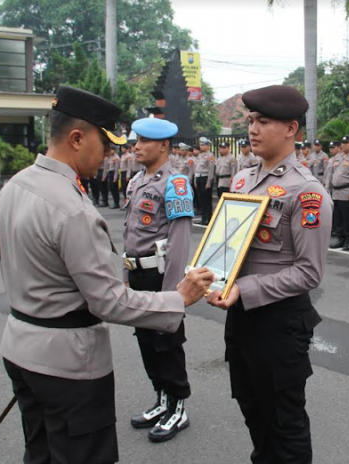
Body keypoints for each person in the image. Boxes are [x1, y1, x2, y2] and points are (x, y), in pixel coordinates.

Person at [0, 86, 213, 464]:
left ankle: (173, 403)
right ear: (77, 138)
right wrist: (178, 298)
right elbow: (107, 301)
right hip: (66, 361)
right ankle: (164, 399)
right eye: (106, 143)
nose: (113, 154)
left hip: (20, 346)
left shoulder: (14, 187)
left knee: (42, 452)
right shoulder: (71, 207)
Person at [207, 84, 332, 464]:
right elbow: (228, 244)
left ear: (292, 129)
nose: (253, 129)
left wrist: (243, 288)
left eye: (264, 121)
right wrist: (212, 275)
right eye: (251, 121)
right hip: (241, 318)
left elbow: (309, 273)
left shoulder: (307, 192)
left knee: (284, 421)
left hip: (280, 324)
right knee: (253, 410)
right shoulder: (243, 180)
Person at [123, 117, 195, 443]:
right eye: (135, 140)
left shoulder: (175, 184)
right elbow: (130, 233)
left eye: (143, 141)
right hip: (138, 273)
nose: (135, 146)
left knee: (166, 343)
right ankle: (161, 399)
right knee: (146, 341)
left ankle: (178, 407)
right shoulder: (137, 181)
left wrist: (175, 294)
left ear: (163, 145)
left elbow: (180, 241)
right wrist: (125, 275)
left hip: (161, 275)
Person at [326, 135, 349, 251]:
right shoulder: (338, 157)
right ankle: (340, 238)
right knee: (338, 218)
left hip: (347, 193)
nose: (343, 145)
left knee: (348, 218)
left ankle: (348, 240)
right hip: (335, 192)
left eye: (346, 143)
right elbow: (330, 174)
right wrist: (328, 189)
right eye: (342, 143)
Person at [194, 137, 215, 225]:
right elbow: (196, 169)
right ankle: (203, 217)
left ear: (208, 146)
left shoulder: (210, 156)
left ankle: (208, 218)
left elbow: (211, 170)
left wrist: (209, 182)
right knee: (201, 199)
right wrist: (195, 180)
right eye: (201, 145)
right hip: (199, 178)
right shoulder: (199, 155)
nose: (201, 146)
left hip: (205, 178)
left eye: (203, 145)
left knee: (206, 200)